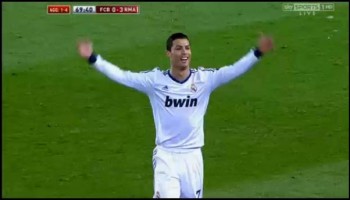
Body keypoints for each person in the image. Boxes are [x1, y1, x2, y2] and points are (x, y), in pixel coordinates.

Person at [77, 32, 274, 198]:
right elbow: (123, 76)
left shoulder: (205, 79)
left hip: (193, 157)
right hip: (167, 155)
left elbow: (233, 70)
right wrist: (93, 58)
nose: (184, 52)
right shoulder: (154, 81)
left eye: (187, 48)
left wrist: (256, 53)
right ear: (168, 53)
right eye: (178, 48)